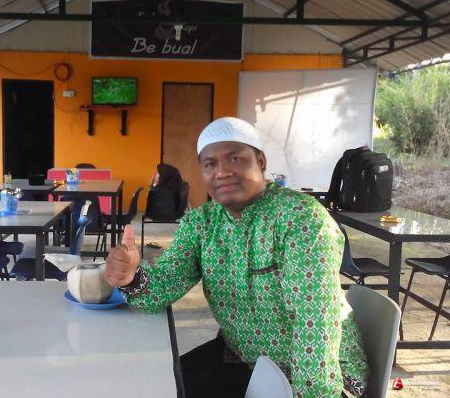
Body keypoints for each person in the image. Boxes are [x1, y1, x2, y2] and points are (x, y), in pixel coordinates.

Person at [105, 117, 368, 398]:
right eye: (210, 164)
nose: (221, 172)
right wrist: (130, 277)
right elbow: (161, 289)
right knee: (157, 387)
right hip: (243, 357)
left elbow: (314, 321)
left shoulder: (300, 219)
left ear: (261, 162)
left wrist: (314, 394)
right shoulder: (201, 224)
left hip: (318, 376)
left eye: (235, 159)